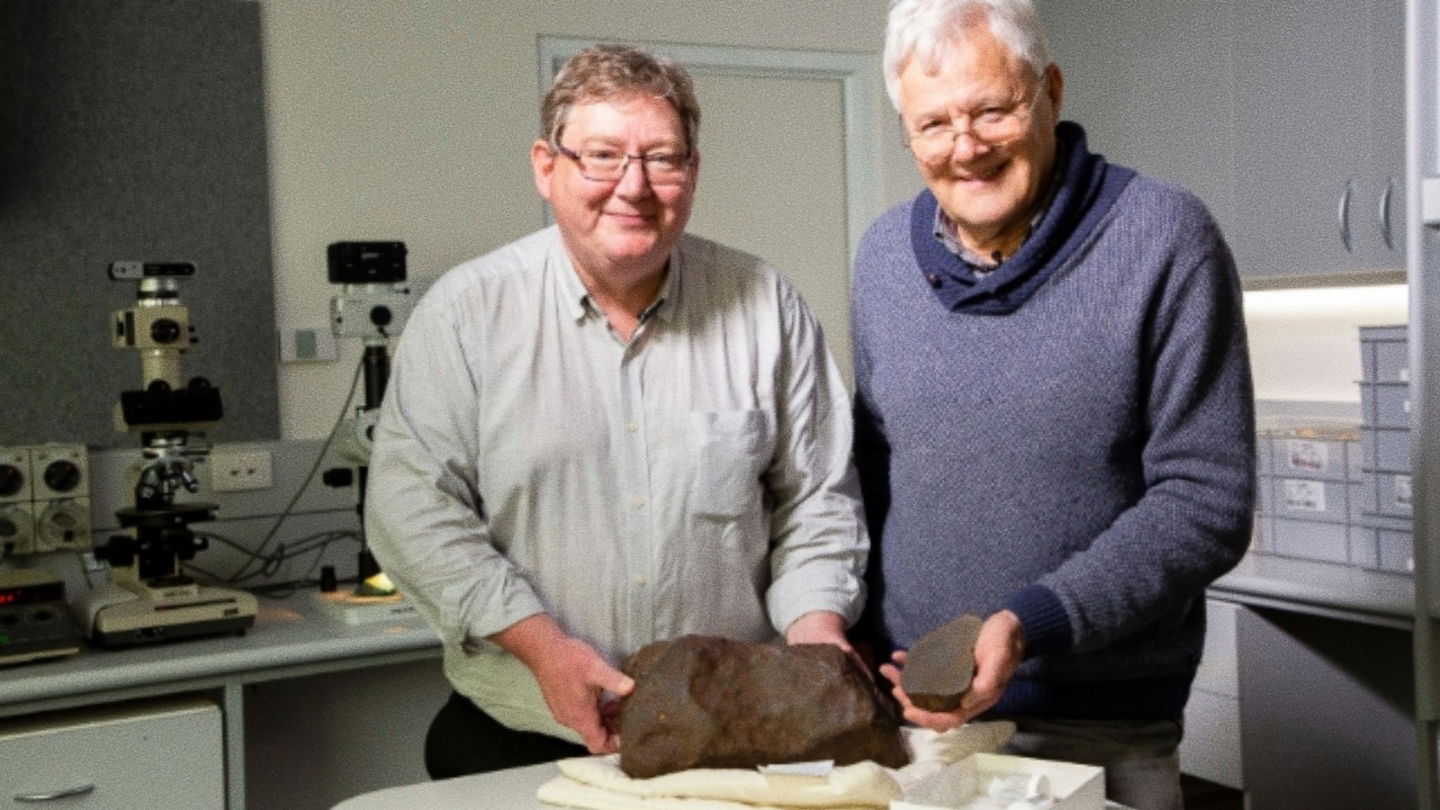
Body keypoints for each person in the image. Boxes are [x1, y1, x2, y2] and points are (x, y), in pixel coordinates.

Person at [364, 44, 868, 779]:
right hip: (523, 736)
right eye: (602, 156)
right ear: (547, 166)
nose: (633, 187)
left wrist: (817, 633)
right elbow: (412, 509)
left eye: (662, 159)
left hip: (730, 741)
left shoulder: (767, 307)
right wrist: (541, 645)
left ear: (692, 172)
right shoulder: (465, 317)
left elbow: (817, 500)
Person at [851, 2, 1255, 808]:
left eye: (992, 110)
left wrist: (1030, 623)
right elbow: (874, 471)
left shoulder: (1165, 239)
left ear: (1051, 92)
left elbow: (1208, 499)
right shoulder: (883, 260)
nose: (965, 149)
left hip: (1106, 726)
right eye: (932, 124)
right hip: (926, 726)